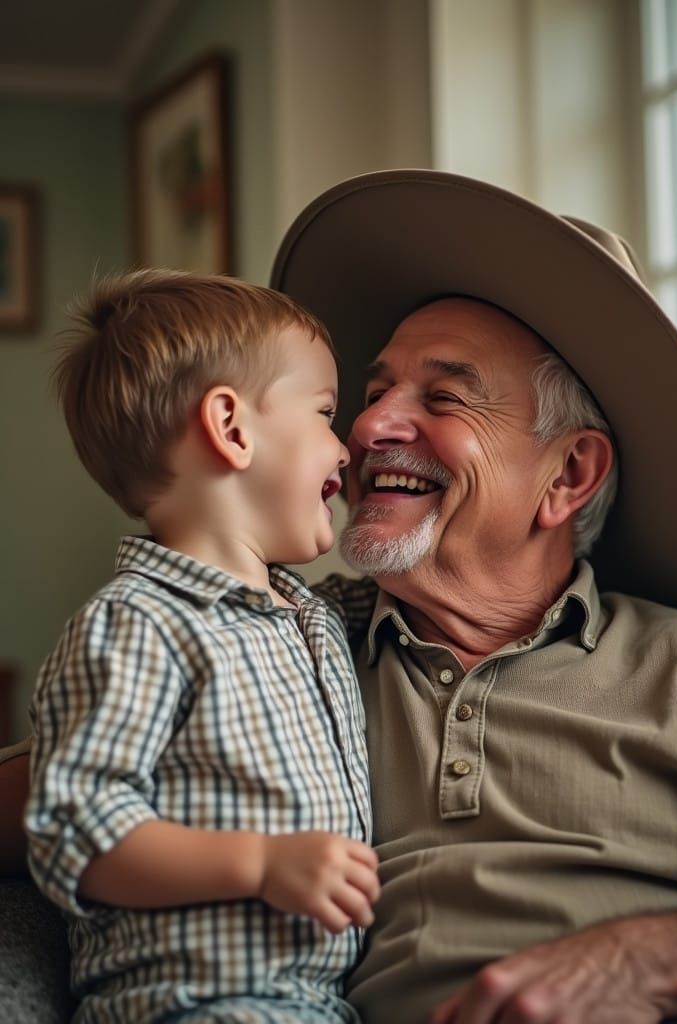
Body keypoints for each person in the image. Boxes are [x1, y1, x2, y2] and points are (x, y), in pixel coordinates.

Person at [269, 169, 677, 1023]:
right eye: (377, 388)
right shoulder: (290, 651)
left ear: (568, 475)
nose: (367, 425)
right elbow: (76, 783)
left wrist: (638, 962)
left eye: (444, 395)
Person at [23, 270, 379, 1024]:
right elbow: (75, 830)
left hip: (314, 1007)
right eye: (323, 413)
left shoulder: (306, 615)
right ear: (232, 427)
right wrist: (259, 864)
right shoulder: (137, 625)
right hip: (193, 1006)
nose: (344, 444)